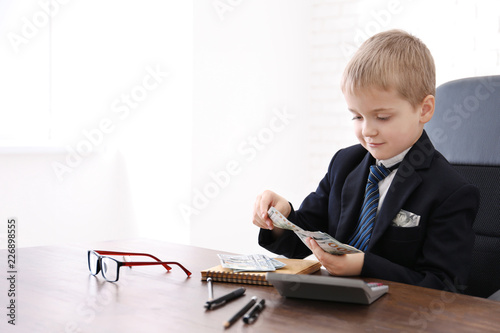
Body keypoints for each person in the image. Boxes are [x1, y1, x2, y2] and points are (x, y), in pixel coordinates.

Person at [252, 29, 480, 292]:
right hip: (334, 307)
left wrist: (363, 266)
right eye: (356, 117)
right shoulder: (344, 163)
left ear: (424, 110)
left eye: (382, 117)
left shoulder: (450, 191)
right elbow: (306, 236)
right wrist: (282, 218)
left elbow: (444, 286)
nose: (367, 130)